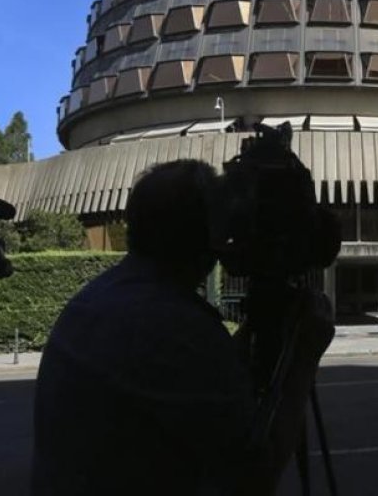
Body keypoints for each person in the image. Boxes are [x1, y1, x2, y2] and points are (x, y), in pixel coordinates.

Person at [32, 160, 332, 496]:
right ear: (205, 233)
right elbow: (253, 476)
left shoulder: (93, 301)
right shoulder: (179, 326)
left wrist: (252, 331)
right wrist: (303, 356)